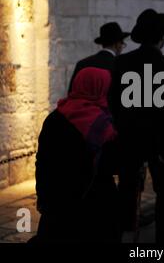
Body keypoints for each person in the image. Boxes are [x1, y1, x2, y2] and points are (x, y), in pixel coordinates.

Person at [35, 67, 120, 242]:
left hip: (58, 202)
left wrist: (43, 196)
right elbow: (112, 164)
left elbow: (42, 162)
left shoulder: (54, 118)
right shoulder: (103, 125)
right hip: (95, 206)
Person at [110, 9, 164, 243]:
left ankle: (125, 232)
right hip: (159, 138)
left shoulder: (122, 62)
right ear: (162, 38)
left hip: (129, 136)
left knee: (127, 187)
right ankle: (162, 239)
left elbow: (113, 102)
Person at [68, 22, 130, 92]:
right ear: (117, 44)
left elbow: (72, 93)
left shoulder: (82, 64)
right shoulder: (121, 65)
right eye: (122, 44)